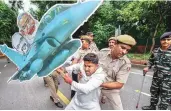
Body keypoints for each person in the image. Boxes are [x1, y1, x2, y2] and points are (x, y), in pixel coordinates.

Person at [98, 34, 136, 110]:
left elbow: (119, 84)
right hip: (95, 85)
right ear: (115, 44)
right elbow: (91, 64)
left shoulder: (125, 63)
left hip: (109, 89)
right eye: (123, 48)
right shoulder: (102, 52)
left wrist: (99, 84)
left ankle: (103, 96)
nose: (124, 52)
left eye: (127, 50)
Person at [142, 32, 171, 110]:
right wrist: (147, 67)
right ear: (160, 41)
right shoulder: (155, 50)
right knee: (154, 92)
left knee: (165, 96)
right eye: (164, 39)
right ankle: (152, 106)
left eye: (168, 39)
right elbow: (151, 60)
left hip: (168, 79)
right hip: (156, 77)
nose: (166, 41)